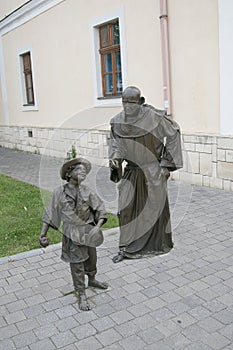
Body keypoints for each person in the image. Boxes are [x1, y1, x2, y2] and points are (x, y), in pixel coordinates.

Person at [109, 86, 183, 263]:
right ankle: (126, 249)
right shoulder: (117, 122)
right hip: (131, 171)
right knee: (125, 209)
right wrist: (115, 159)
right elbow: (115, 145)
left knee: (153, 210)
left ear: (140, 102)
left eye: (131, 103)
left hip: (152, 171)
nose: (127, 106)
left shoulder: (155, 118)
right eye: (124, 102)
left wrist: (166, 166)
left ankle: (157, 245)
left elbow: (174, 133)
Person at [39, 157, 108, 311]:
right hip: (72, 234)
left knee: (91, 259)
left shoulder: (87, 191)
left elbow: (100, 209)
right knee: (77, 264)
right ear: (69, 174)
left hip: (89, 232)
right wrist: (43, 234)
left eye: (84, 171)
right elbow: (50, 213)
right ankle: (81, 292)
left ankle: (92, 279)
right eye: (78, 169)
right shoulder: (60, 193)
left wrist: (97, 226)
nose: (82, 172)